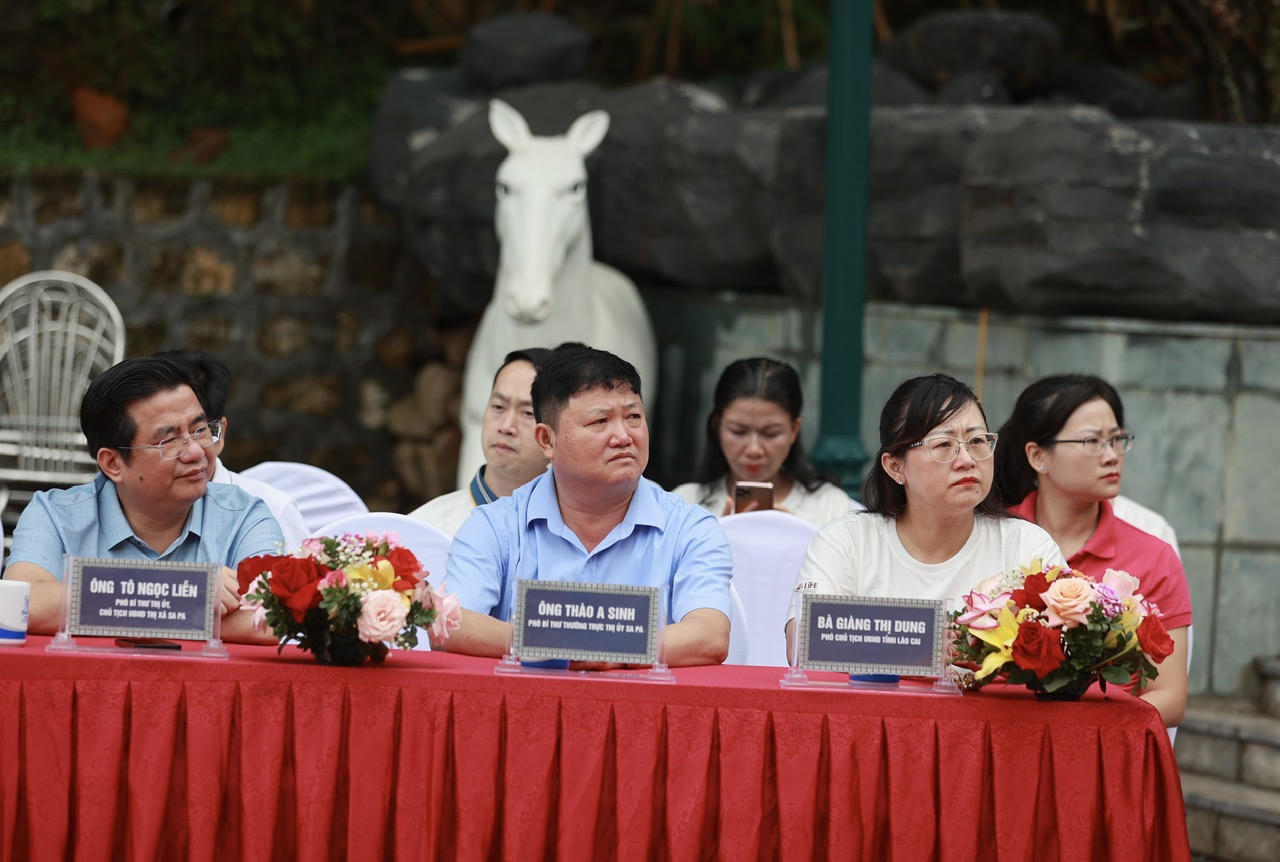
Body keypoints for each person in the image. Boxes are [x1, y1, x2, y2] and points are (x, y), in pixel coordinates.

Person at [444, 344, 732, 666]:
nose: (623, 436)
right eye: (600, 421)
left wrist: (606, 647)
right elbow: (451, 624)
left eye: (633, 417)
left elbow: (710, 636)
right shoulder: (494, 526)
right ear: (547, 440)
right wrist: (559, 642)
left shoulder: (690, 529)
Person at [3, 357, 282, 643]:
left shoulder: (245, 515)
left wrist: (112, 603)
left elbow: (273, 620)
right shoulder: (54, 515)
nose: (196, 452)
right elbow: (22, 604)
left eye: (199, 430)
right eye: (168, 441)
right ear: (112, 463)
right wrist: (186, 591)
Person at [786, 374, 1063, 656]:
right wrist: (933, 643)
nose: (967, 460)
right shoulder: (847, 540)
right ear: (895, 467)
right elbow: (804, 642)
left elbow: (1066, 647)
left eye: (977, 441)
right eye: (944, 445)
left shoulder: (1026, 545)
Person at [993, 374, 1191, 726]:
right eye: (1092, 441)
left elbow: (1171, 699)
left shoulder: (1153, 557)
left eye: (1116, 439)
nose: (1112, 456)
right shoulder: (992, 538)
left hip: (1106, 747)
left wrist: (1086, 732)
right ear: (1038, 456)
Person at [672, 357, 859, 527]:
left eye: (770, 434)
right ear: (717, 425)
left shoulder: (830, 507)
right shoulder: (684, 504)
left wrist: (799, 537)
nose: (754, 449)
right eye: (738, 431)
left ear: (794, 430)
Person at [156, 349, 309, 549]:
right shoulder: (121, 507)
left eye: (199, 431)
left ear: (220, 434)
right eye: (168, 439)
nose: (191, 452)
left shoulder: (272, 510)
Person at [408, 347, 551, 537]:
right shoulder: (426, 529)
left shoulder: (581, 534)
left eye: (527, 413)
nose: (506, 426)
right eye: (498, 407)